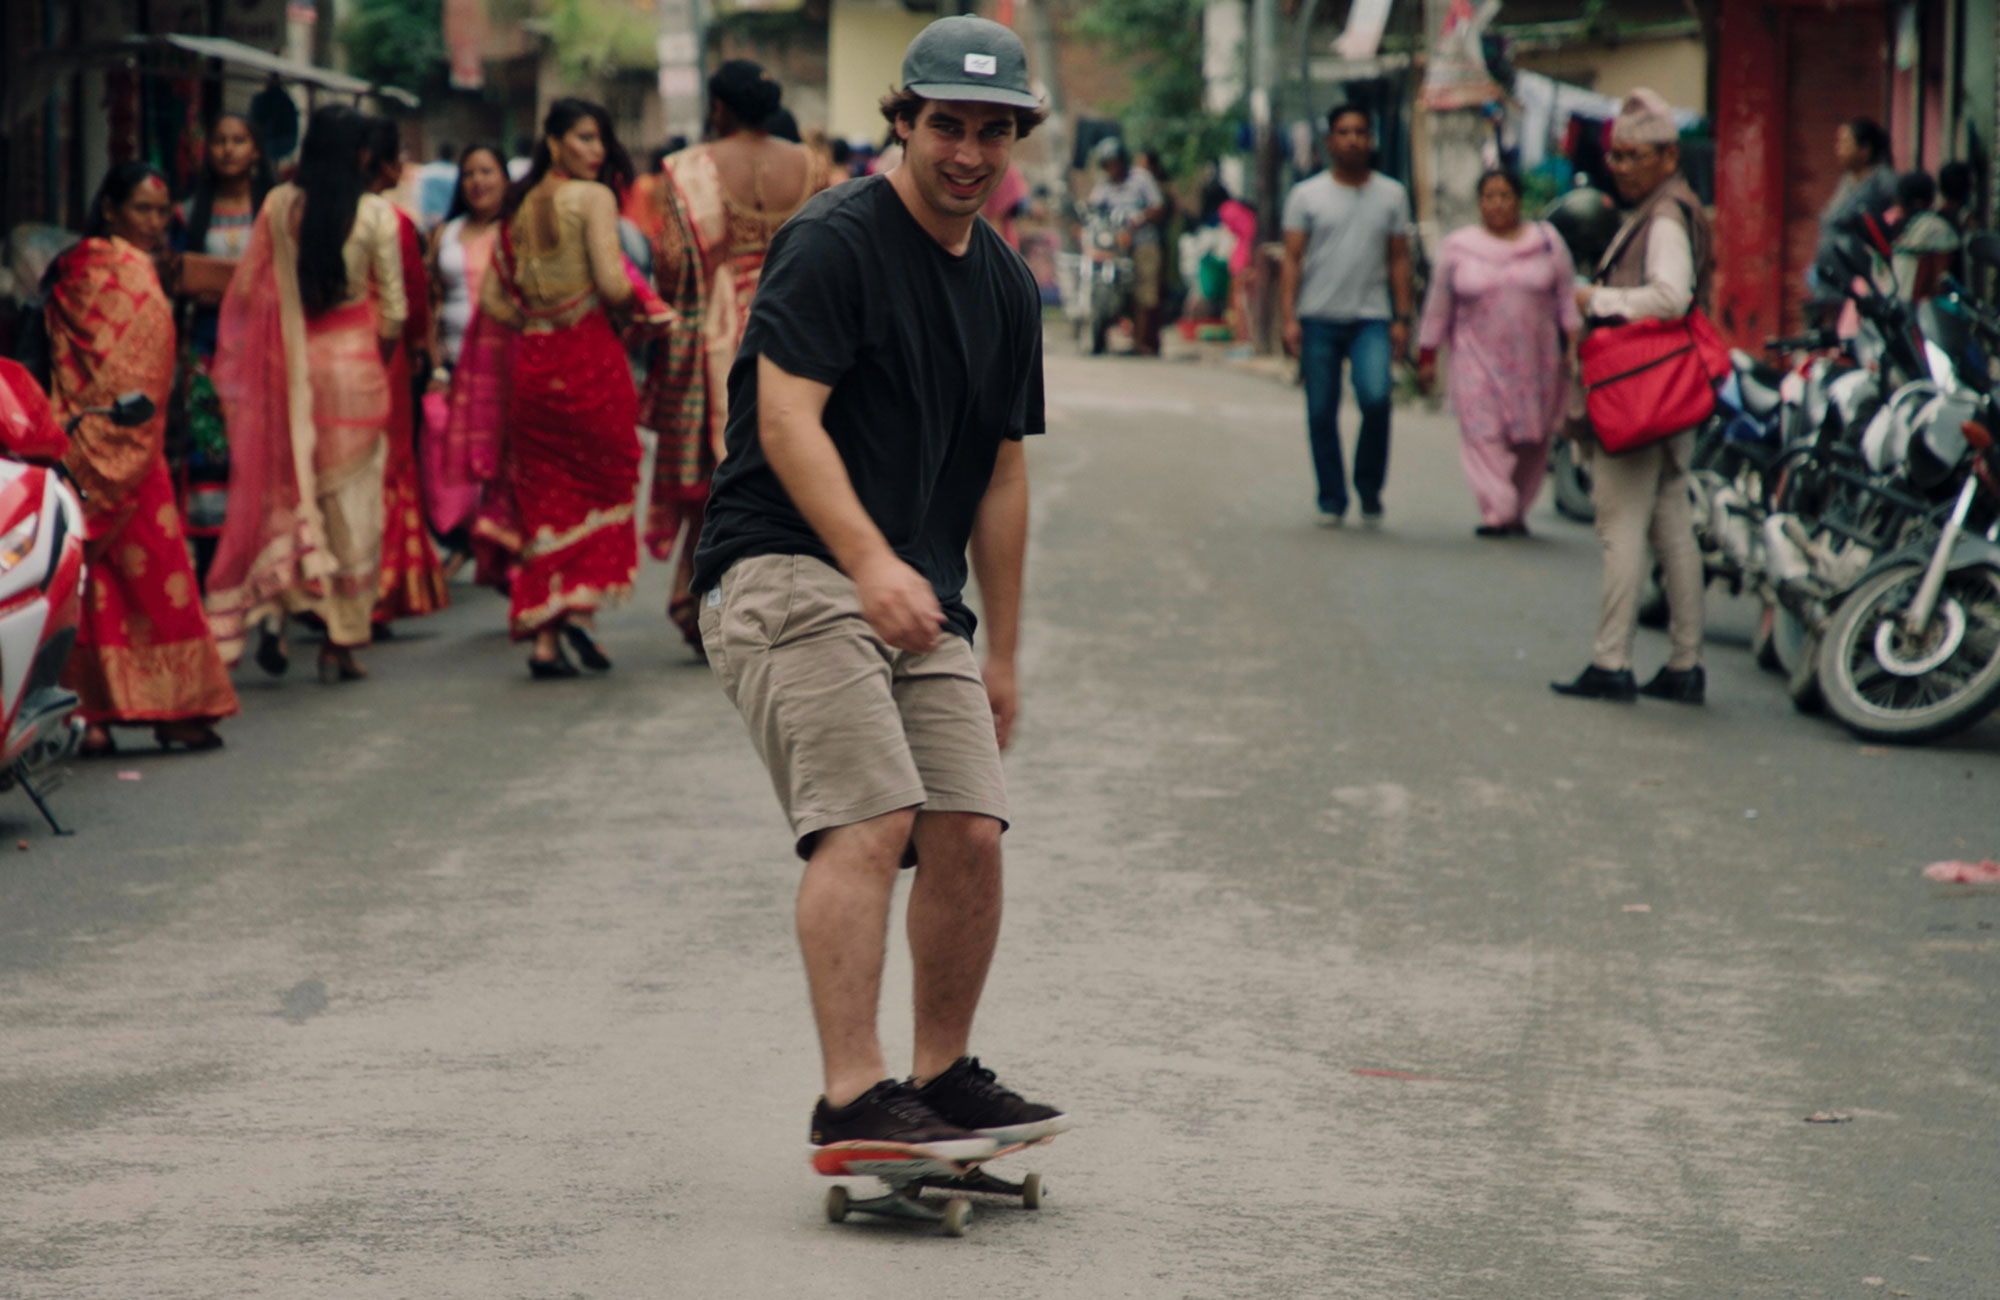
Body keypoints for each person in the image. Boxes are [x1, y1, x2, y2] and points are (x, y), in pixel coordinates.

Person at [692, 15, 1070, 1156]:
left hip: (910, 591)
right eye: (944, 125)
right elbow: (782, 416)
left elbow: (1002, 470)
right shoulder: (835, 239)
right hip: (783, 564)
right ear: (899, 123)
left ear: (1016, 140)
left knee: (969, 826)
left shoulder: (1004, 283)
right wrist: (867, 561)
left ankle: (939, 1073)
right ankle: (852, 1097)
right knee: (869, 815)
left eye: (990, 131)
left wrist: (998, 649)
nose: (966, 152)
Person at [203, 103, 408, 684]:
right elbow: (393, 310)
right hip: (355, 372)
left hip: (288, 373)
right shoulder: (374, 214)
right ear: (360, 153)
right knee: (353, 506)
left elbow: (245, 294)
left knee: (292, 492)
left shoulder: (276, 206)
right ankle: (341, 641)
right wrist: (379, 361)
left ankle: (277, 616)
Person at [46, 163, 238, 753]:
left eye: (161, 211)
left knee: (108, 581)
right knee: (137, 581)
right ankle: (139, 712)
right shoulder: (98, 270)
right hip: (122, 444)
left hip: (89, 452)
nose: (154, 223)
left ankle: (100, 715)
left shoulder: (86, 268)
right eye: (142, 210)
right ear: (110, 210)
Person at [643, 60, 832, 654]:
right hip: (799, 326)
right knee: (795, 464)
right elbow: (834, 248)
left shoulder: (688, 169)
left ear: (719, 107)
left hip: (718, 340)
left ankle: (706, 596)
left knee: (714, 476)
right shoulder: (812, 164)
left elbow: (672, 263)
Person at [480, 98, 670, 679]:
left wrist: (536, 321)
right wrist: (632, 304)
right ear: (555, 141)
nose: (595, 150)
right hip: (588, 356)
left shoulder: (518, 205)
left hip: (534, 367)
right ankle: (580, 613)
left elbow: (492, 299)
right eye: (584, 138)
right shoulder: (594, 198)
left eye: (599, 139)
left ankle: (545, 637)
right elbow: (613, 284)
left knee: (545, 499)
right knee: (607, 479)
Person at [1551, 89, 1711, 705]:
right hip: (1665, 390)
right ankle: (1684, 664)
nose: (1620, 166)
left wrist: (1601, 301)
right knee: (1670, 523)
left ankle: (1611, 661)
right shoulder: (1667, 208)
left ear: (1668, 156)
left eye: (1634, 155)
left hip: (1640, 392)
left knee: (1621, 526)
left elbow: (1671, 297)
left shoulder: (1665, 216)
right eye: (1615, 155)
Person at [1415, 168, 1582, 536]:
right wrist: (1426, 355)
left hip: (1535, 362)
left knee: (1532, 439)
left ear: (1519, 200)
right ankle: (1500, 508)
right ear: (1479, 203)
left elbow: (1567, 297)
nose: (1497, 204)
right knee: (1482, 433)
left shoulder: (1547, 242)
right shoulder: (1459, 247)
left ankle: (1517, 507)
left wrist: (1574, 345)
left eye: (1505, 196)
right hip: (1476, 359)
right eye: (1489, 197)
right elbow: (1438, 305)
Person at [1280, 104, 1414, 526]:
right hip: (1318, 316)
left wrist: (1402, 318)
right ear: (1330, 141)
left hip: (1371, 317)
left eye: (1360, 131)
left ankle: (1369, 486)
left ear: (1371, 139)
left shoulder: (1392, 195)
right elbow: (1292, 259)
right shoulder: (1306, 196)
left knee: (1376, 399)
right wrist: (1288, 318)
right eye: (1344, 132)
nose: (1353, 139)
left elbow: (1398, 260)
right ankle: (1332, 497)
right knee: (1321, 410)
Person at [173, 114, 274, 580]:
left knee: (261, 448)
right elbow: (177, 278)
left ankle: (263, 562)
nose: (229, 149)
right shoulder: (186, 213)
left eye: (239, 140)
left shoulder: (274, 211)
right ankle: (214, 567)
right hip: (209, 349)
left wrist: (225, 288)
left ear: (256, 150)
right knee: (210, 451)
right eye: (220, 140)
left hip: (264, 349)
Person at [363, 117, 450, 632]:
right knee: (389, 466)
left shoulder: (300, 213)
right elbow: (410, 303)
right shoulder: (390, 221)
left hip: (323, 359)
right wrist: (423, 351)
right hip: (383, 355)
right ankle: (384, 584)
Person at [422, 144, 509, 578]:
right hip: (457, 366)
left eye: (487, 171)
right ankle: (463, 539)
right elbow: (431, 308)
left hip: (505, 367)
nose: (478, 181)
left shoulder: (516, 232)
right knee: (456, 456)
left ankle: (497, 548)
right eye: (470, 173)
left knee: (503, 458)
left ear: (505, 179)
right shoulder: (446, 235)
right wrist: (438, 367)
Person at [1810, 117, 1897, 324]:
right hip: (1831, 280)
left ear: (1864, 150)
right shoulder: (1847, 180)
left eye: (1845, 143)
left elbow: (1897, 216)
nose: (1838, 149)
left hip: (1859, 280)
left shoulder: (1883, 180)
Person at [1084, 138, 1166, 356]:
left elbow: (1158, 207)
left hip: (1142, 242)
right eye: (1107, 164)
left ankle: (1141, 343)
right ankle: (1097, 335)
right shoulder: (1104, 186)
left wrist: (1140, 217)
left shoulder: (1141, 179)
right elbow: (1092, 207)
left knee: (1144, 290)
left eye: (1114, 163)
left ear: (1122, 161)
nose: (1111, 168)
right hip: (1114, 244)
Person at [1888, 171, 1959, 304]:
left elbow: (1940, 280)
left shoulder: (1933, 227)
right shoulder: (1935, 227)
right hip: (1911, 307)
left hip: (1916, 307)